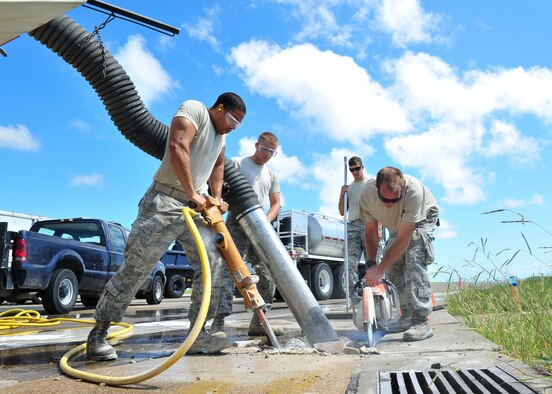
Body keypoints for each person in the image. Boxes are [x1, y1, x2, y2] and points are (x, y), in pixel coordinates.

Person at [86, 92, 247, 361]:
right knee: (136, 268)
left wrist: (216, 197)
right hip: (164, 202)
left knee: (214, 265)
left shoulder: (223, 136)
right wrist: (193, 193)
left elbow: (218, 164)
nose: (234, 126)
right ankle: (98, 335)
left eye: (239, 124)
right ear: (219, 108)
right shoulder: (194, 109)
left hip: (194, 210)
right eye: (233, 119)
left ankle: (197, 334)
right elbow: (177, 146)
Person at [211, 132, 282, 336]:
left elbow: (276, 203)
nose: (267, 154)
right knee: (230, 271)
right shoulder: (237, 163)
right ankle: (218, 323)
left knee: (268, 273)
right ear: (256, 144)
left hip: (260, 226)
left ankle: (259, 322)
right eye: (264, 149)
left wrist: (265, 222)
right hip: (236, 222)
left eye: (272, 152)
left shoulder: (271, 174)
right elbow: (216, 183)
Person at [359, 166, 439, 342]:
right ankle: (406, 316)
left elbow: (403, 239)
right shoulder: (367, 195)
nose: (389, 205)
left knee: (413, 257)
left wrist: (380, 269)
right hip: (397, 223)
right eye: (384, 200)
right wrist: (372, 263)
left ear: (401, 187)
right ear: (376, 189)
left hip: (422, 218)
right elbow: (371, 231)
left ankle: (421, 320)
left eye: (394, 200)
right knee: (392, 264)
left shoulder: (413, 191)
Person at [338, 156, 370, 304]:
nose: (355, 172)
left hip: (370, 224)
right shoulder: (349, 188)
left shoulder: (371, 183)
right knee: (349, 262)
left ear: (362, 167)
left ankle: (375, 292)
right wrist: (342, 193)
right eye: (352, 170)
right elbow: (342, 211)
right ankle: (354, 297)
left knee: (373, 261)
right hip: (353, 226)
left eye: (357, 168)